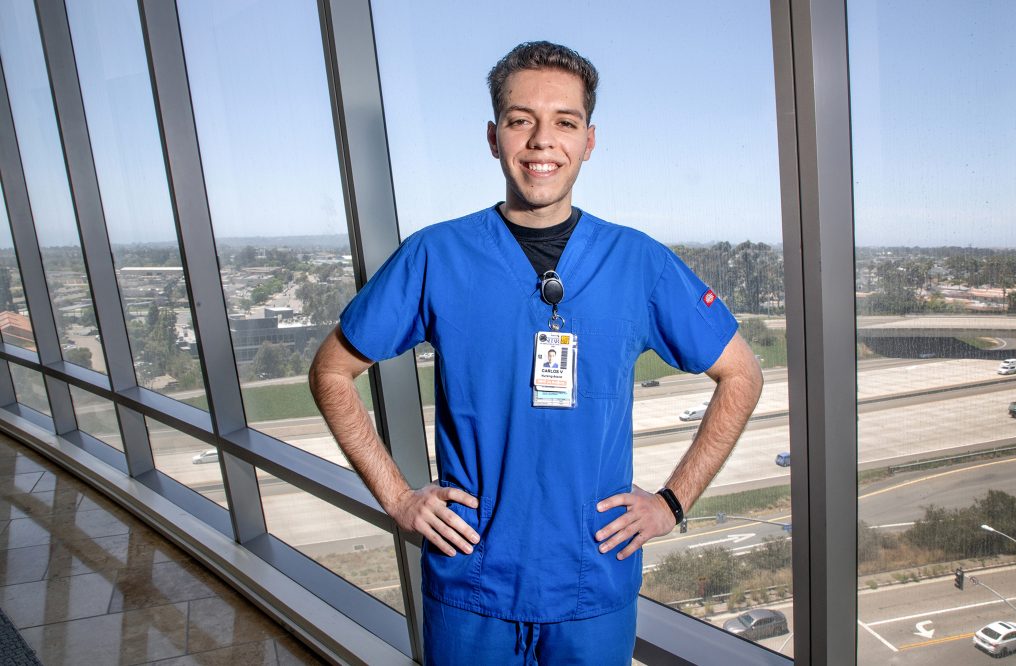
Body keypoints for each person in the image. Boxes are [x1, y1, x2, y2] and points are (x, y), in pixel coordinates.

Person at [309, 41, 763, 665]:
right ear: (494, 137)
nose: (542, 141)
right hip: (471, 585)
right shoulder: (435, 257)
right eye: (522, 120)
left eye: (564, 123)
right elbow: (332, 371)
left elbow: (741, 374)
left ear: (589, 140)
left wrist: (672, 502)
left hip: (592, 587)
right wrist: (397, 497)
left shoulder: (639, 263)